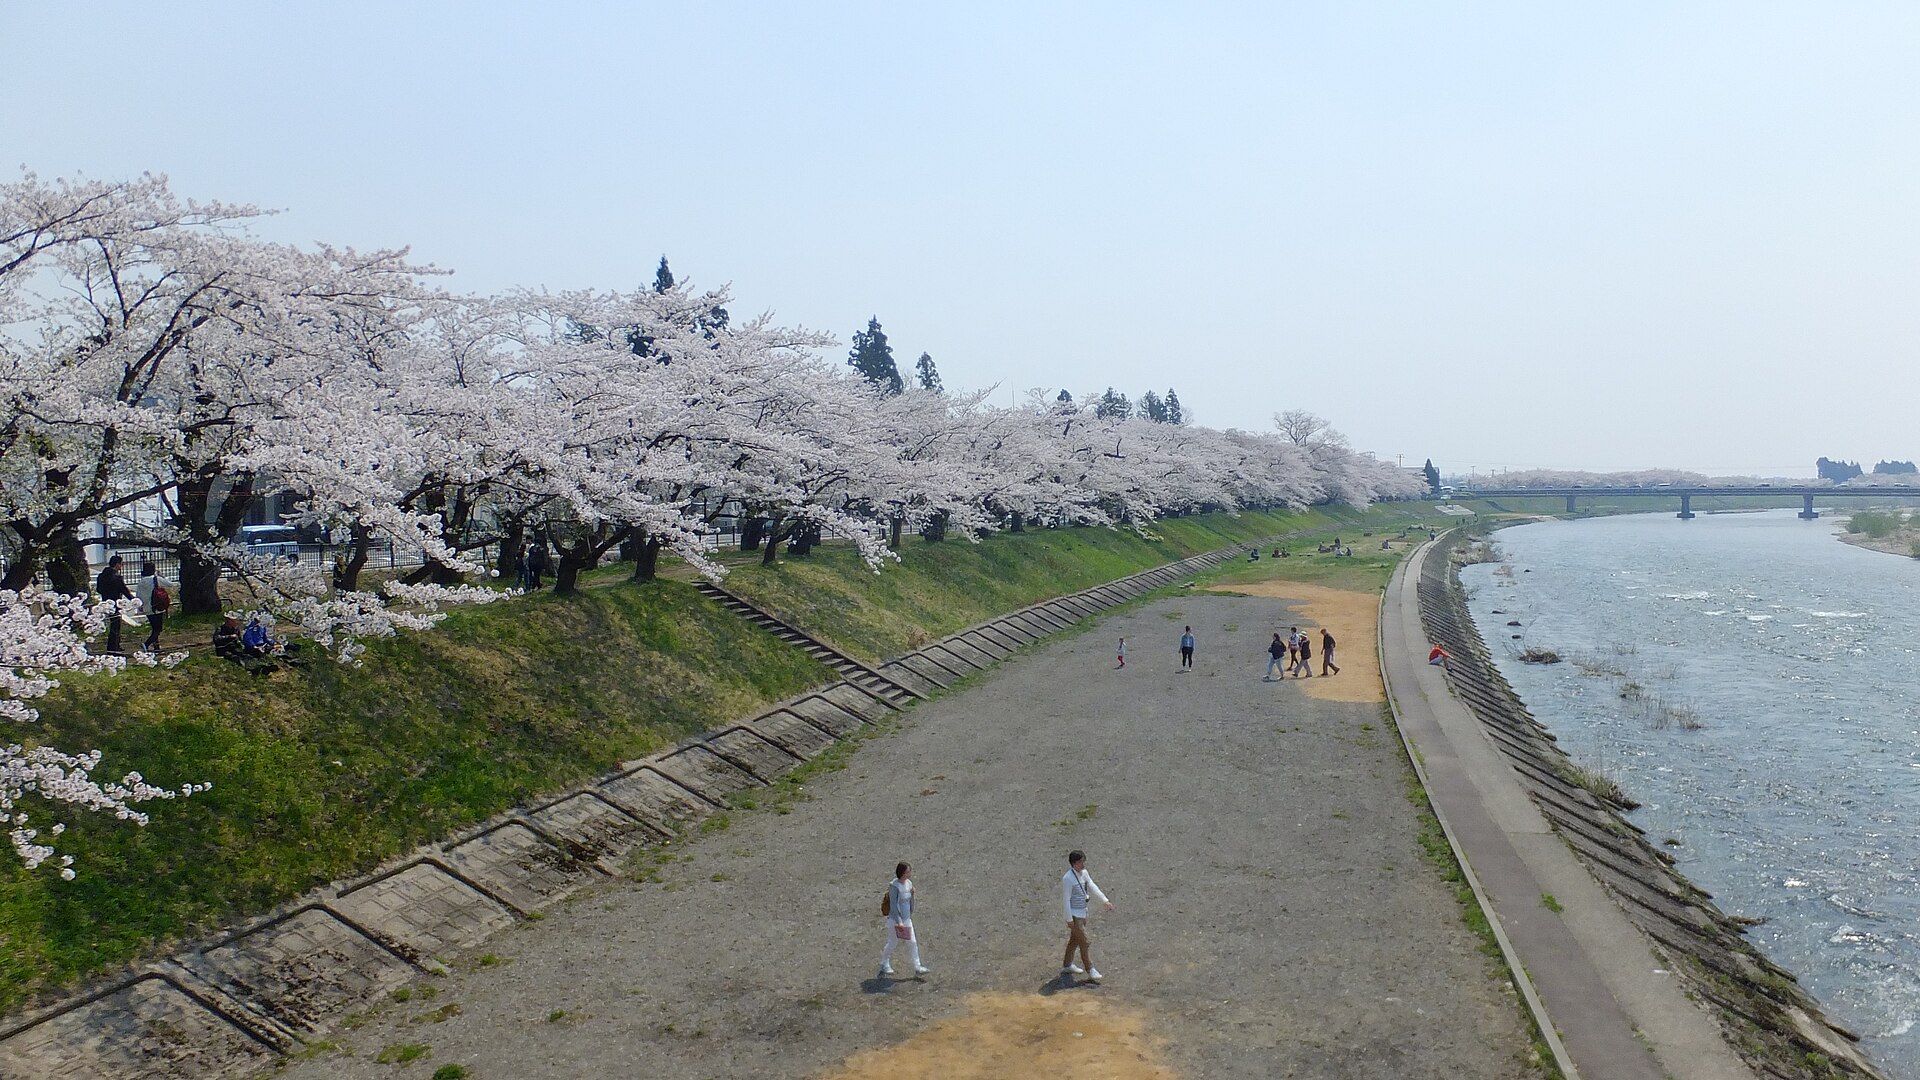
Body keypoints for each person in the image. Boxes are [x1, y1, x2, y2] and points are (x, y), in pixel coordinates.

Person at [1061, 849, 1112, 982]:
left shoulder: (1084, 873)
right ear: (1074, 863)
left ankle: (1067, 965)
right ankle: (1090, 969)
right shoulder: (1068, 879)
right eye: (1080, 862)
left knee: (1074, 940)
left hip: (1083, 913)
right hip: (1075, 916)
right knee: (1085, 941)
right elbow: (1066, 900)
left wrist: (1105, 900)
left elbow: (1092, 886)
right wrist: (1069, 919)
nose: (1083, 865)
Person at [880, 861, 929, 977]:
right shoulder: (894, 886)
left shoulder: (909, 884)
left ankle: (917, 966)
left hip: (906, 919)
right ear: (902, 873)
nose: (910, 874)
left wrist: (912, 896)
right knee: (893, 942)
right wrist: (899, 921)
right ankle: (884, 962)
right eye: (907, 872)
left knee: (912, 942)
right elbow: (894, 905)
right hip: (895, 921)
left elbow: (909, 900)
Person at [95, 555, 134, 654]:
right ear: (117, 564)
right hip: (116, 602)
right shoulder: (116, 577)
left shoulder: (101, 576)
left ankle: (113, 646)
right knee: (116, 625)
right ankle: (113, 647)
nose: (121, 566)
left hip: (106, 602)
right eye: (121, 564)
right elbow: (124, 590)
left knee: (113, 624)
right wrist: (133, 600)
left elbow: (98, 589)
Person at [134, 561, 172, 653]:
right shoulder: (156, 579)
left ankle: (156, 647)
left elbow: (138, 596)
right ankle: (146, 644)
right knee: (158, 629)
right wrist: (162, 576)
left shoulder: (141, 582)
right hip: (156, 607)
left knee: (154, 628)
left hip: (147, 608)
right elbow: (170, 584)